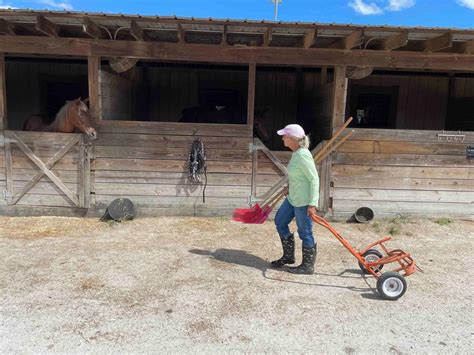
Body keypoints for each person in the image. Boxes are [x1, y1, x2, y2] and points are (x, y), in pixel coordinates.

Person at [271, 124, 319, 274]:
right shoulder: (296, 153)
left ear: (292, 139)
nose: (282, 138)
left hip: (303, 202)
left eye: (284, 136)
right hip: (293, 198)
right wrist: (290, 187)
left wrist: (312, 204)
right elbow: (299, 177)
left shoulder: (303, 155)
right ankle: (288, 256)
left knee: (305, 232)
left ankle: (307, 266)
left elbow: (314, 179)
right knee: (280, 221)